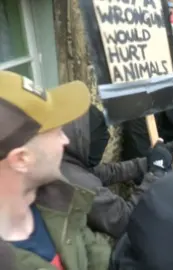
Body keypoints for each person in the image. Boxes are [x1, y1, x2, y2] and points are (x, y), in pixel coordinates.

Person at [0, 70, 110, 269]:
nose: (65, 140)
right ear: (21, 159)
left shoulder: (58, 200)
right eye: (58, 132)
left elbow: (97, 256)